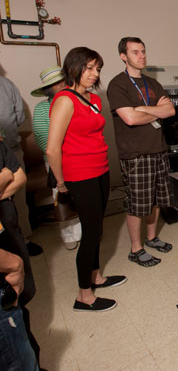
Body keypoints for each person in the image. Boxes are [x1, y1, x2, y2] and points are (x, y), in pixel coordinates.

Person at [47, 47, 126, 312]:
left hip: (100, 169)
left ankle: (96, 277)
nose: (95, 74)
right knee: (90, 233)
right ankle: (84, 295)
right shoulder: (64, 99)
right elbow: (52, 148)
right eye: (89, 68)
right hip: (79, 175)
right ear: (74, 67)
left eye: (98, 69)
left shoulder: (92, 98)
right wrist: (60, 184)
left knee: (98, 229)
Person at [107, 37, 175, 267]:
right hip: (136, 154)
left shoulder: (152, 84)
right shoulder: (118, 85)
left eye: (143, 51)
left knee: (156, 200)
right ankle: (136, 249)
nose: (142, 56)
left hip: (158, 149)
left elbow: (170, 110)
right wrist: (157, 111)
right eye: (136, 52)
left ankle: (152, 237)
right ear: (123, 56)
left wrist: (144, 110)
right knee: (138, 204)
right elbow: (130, 118)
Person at [31, 65, 82, 251]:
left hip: (80, 158)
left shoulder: (77, 101)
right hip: (57, 160)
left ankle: (88, 232)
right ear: (48, 88)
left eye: (63, 81)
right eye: (56, 83)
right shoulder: (42, 109)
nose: (61, 85)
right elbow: (44, 139)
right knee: (62, 197)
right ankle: (69, 234)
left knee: (84, 196)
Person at [0, 141, 40, 370]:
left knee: (21, 304)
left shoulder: (1, 145)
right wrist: (5, 175)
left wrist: (7, 175)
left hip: (9, 230)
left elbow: (20, 177)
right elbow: (11, 174)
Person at [0, 75, 40, 256]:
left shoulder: (7, 85)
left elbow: (19, 116)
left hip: (11, 148)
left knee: (19, 200)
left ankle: (24, 240)